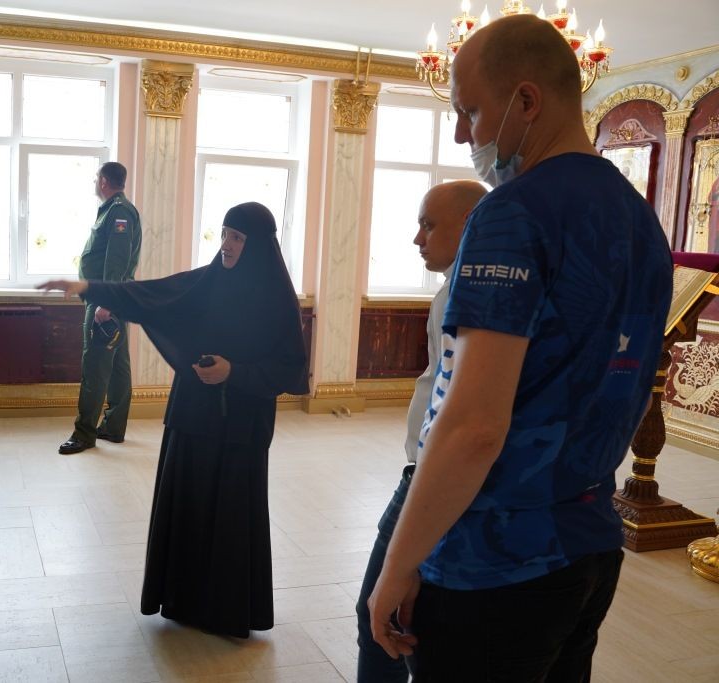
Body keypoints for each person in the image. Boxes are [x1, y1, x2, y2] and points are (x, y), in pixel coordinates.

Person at [366, 14, 672, 681]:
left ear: (527, 101)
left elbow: (473, 425)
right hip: (590, 543)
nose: (462, 134)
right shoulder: (640, 219)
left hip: (492, 562)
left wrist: (397, 563)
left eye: (470, 111)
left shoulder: (510, 213)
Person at [40, 202, 309, 637]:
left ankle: (225, 611)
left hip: (241, 428)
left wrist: (234, 372)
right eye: (224, 233)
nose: (226, 245)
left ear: (258, 245)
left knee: (228, 517)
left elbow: (289, 370)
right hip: (193, 416)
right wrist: (88, 287)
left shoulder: (277, 300)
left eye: (237, 237)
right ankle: (182, 600)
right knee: (188, 507)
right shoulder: (209, 281)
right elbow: (150, 296)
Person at [356, 180, 487, 681]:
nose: (417, 239)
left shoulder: (471, 295)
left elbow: (466, 410)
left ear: (470, 225)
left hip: (433, 474)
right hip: (429, 467)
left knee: (381, 612)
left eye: (429, 226)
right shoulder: (454, 289)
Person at [59, 162, 142, 455]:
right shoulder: (114, 210)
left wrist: (106, 302)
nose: (95, 182)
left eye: (96, 178)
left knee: (95, 366)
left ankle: (84, 433)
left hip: (106, 300)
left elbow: (116, 260)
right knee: (118, 365)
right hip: (114, 299)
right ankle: (113, 427)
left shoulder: (119, 212)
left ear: (104, 181)